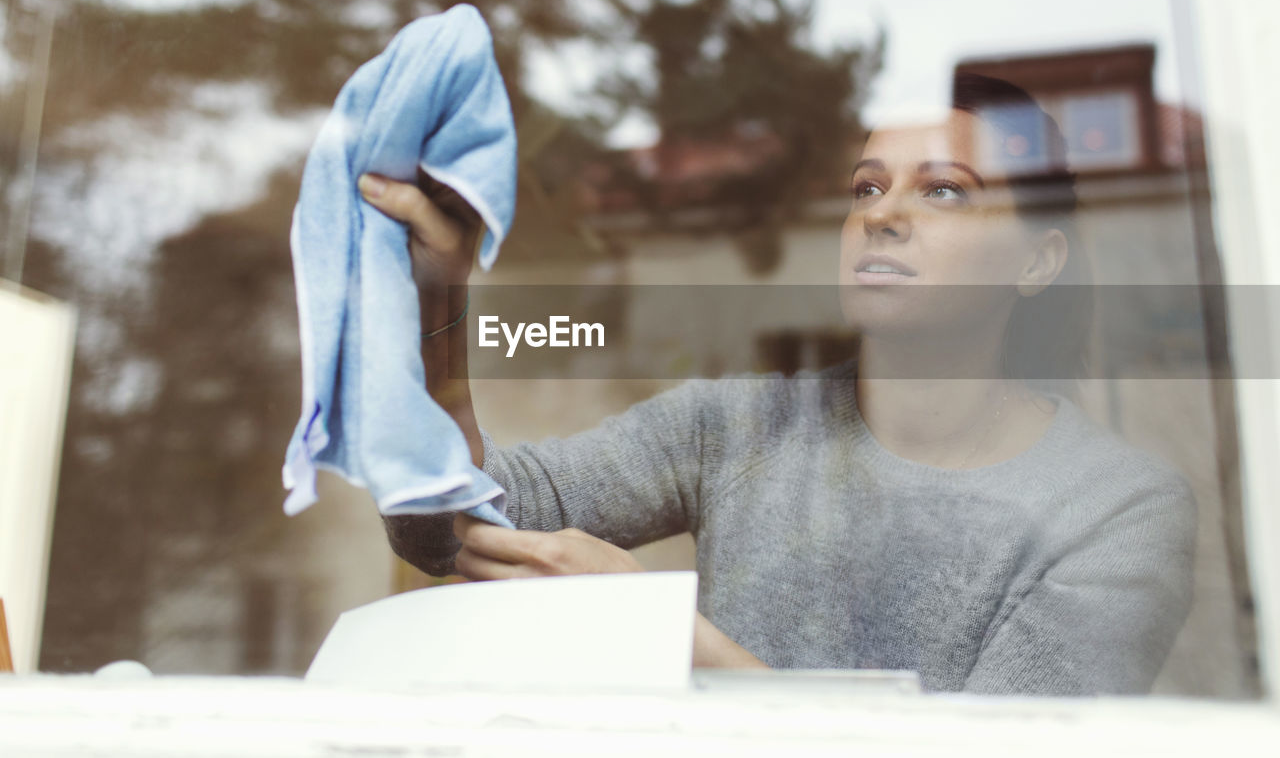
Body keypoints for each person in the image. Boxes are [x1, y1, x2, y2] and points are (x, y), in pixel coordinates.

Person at [360, 74, 1196, 695]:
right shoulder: (735, 425)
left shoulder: (1120, 511)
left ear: (1038, 261)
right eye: (867, 186)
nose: (881, 213)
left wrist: (653, 631)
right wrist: (438, 296)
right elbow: (449, 527)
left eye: (945, 189)